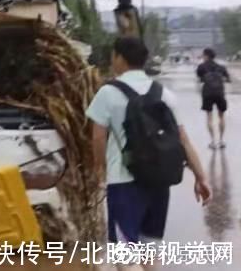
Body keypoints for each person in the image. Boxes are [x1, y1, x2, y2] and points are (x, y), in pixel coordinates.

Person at [86, 37, 210, 245]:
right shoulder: (165, 94)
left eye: (113, 56)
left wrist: (100, 172)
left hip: (122, 182)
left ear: (119, 58)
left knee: (125, 256)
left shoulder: (107, 93)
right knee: (150, 249)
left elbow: (97, 138)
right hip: (159, 182)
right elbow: (183, 141)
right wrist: (201, 177)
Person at [196, 48, 231, 149]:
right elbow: (228, 79)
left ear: (206, 56)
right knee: (221, 117)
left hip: (207, 94)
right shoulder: (221, 67)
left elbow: (199, 77)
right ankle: (221, 141)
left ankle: (212, 142)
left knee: (209, 117)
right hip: (219, 93)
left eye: (203, 55)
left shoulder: (201, 66)